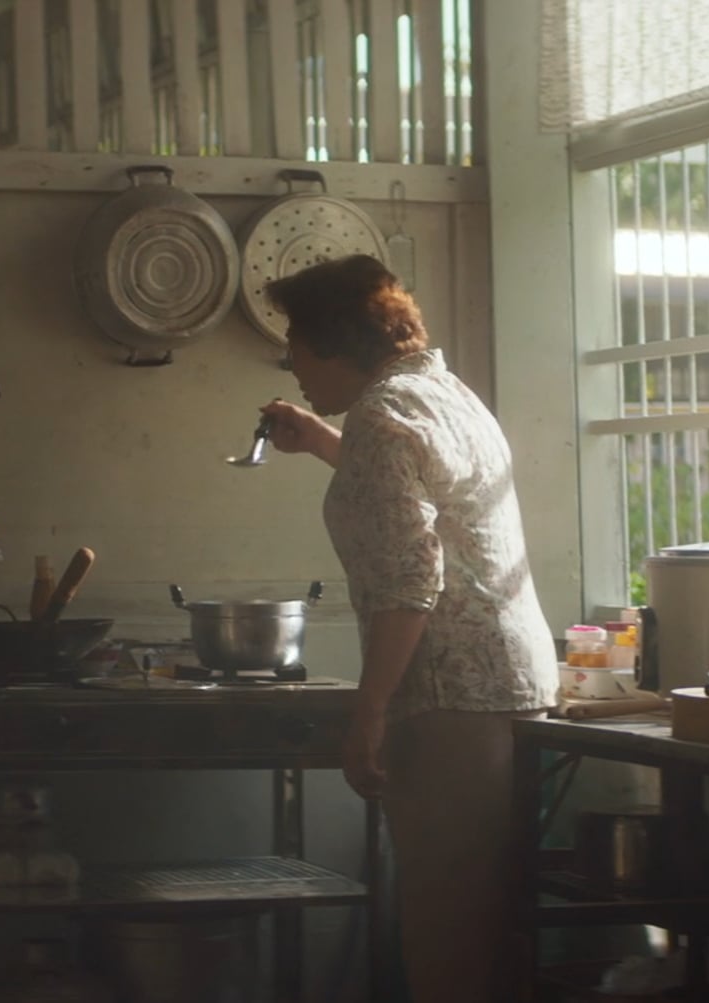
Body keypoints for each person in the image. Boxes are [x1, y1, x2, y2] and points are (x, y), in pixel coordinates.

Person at [257, 254, 558, 1002]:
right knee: (486, 926)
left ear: (333, 343)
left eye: (295, 347)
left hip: (449, 696)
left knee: (446, 935)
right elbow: (419, 496)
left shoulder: (382, 417)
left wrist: (369, 712)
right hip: (510, 687)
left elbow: (409, 582)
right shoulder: (444, 393)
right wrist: (321, 441)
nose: (293, 367)